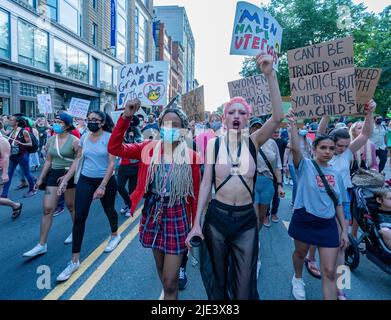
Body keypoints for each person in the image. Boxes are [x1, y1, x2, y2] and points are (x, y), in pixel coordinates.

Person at [186, 54, 284, 300]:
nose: (237, 116)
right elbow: (206, 185)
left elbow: (278, 117)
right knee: (219, 283)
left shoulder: (254, 141)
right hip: (217, 219)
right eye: (232, 112)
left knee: (243, 286)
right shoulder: (213, 145)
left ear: (247, 118)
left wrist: (270, 75)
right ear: (225, 118)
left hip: (245, 222)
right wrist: (196, 222)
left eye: (242, 112)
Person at [108, 99, 201, 300]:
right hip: (153, 213)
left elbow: (195, 196)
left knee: (170, 282)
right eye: (166, 124)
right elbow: (115, 148)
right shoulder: (148, 148)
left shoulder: (192, 157)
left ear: (184, 129)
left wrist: (196, 225)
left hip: (177, 215)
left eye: (175, 125)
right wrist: (126, 116)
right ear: (160, 127)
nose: (170, 129)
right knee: (161, 270)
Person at [286, 109, 349, 300]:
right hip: (305, 219)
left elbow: (338, 203)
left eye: (331, 148)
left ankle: (341, 288)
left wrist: (344, 230)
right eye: (323, 148)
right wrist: (293, 125)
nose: (328, 152)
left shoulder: (337, 173)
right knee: (300, 253)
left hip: (328, 224)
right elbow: (296, 148)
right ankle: (297, 278)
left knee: (330, 270)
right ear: (314, 149)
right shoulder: (305, 165)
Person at [56, 111, 120, 282]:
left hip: (105, 180)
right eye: (89, 119)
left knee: (109, 210)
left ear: (102, 122)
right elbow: (78, 160)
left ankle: (115, 235)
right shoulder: (84, 136)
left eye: (95, 120)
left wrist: (102, 186)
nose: (91, 122)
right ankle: (74, 261)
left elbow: (112, 164)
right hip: (85, 179)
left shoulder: (109, 137)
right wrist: (66, 180)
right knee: (79, 217)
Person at [23, 113, 79, 258]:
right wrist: (40, 179)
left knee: (71, 206)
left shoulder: (75, 141)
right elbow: (48, 160)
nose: (55, 124)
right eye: (55, 121)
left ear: (67, 125)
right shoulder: (51, 140)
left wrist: (66, 178)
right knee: (48, 209)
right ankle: (41, 245)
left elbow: (77, 161)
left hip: (69, 175)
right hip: (54, 175)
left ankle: (76, 231)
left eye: (59, 122)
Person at [249, 117, 285, 229]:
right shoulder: (245, 142)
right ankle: (251, 241)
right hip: (251, 182)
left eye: (260, 127)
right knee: (253, 215)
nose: (257, 129)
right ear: (250, 129)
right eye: (254, 127)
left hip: (268, 183)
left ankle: (256, 238)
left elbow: (278, 166)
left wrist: (279, 186)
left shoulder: (272, 143)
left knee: (261, 216)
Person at [1, 114, 37, 198]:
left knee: (26, 173)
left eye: (11, 120)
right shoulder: (12, 131)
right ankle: (4, 194)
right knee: (8, 174)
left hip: (22, 155)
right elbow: (5, 135)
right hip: (13, 155)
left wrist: (21, 143)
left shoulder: (23, 131)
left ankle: (32, 189)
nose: (9, 121)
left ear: (16, 122)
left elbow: (30, 143)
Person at [117, 115, 143, 217]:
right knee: (119, 186)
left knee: (132, 189)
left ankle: (131, 206)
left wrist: (132, 140)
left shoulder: (137, 133)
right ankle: (128, 203)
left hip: (135, 166)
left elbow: (139, 146)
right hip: (123, 165)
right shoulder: (121, 132)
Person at [284, 127, 312, 205]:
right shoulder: (293, 140)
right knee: (296, 183)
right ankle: (294, 201)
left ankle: (303, 201)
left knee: (305, 183)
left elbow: (312, 152)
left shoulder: (308, 140)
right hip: (292, 163)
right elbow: (286, 153)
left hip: (305, 164)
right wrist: (284, 165)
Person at [267, 127, 288, 223]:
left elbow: (290, 146)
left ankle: (274, 213)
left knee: (277, 194)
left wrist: (292, 131)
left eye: (277, 132)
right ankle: (266, 214)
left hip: (279, 171)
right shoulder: (266, 142)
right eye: (274, 132)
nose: (276, 134)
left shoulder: (282, 141)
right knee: (267, 194)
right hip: (268, 171)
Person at [0, 135, 23, 218]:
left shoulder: (2, 141)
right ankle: (15, 205)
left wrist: (5, 174)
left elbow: (6, 157)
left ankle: (16, 205)